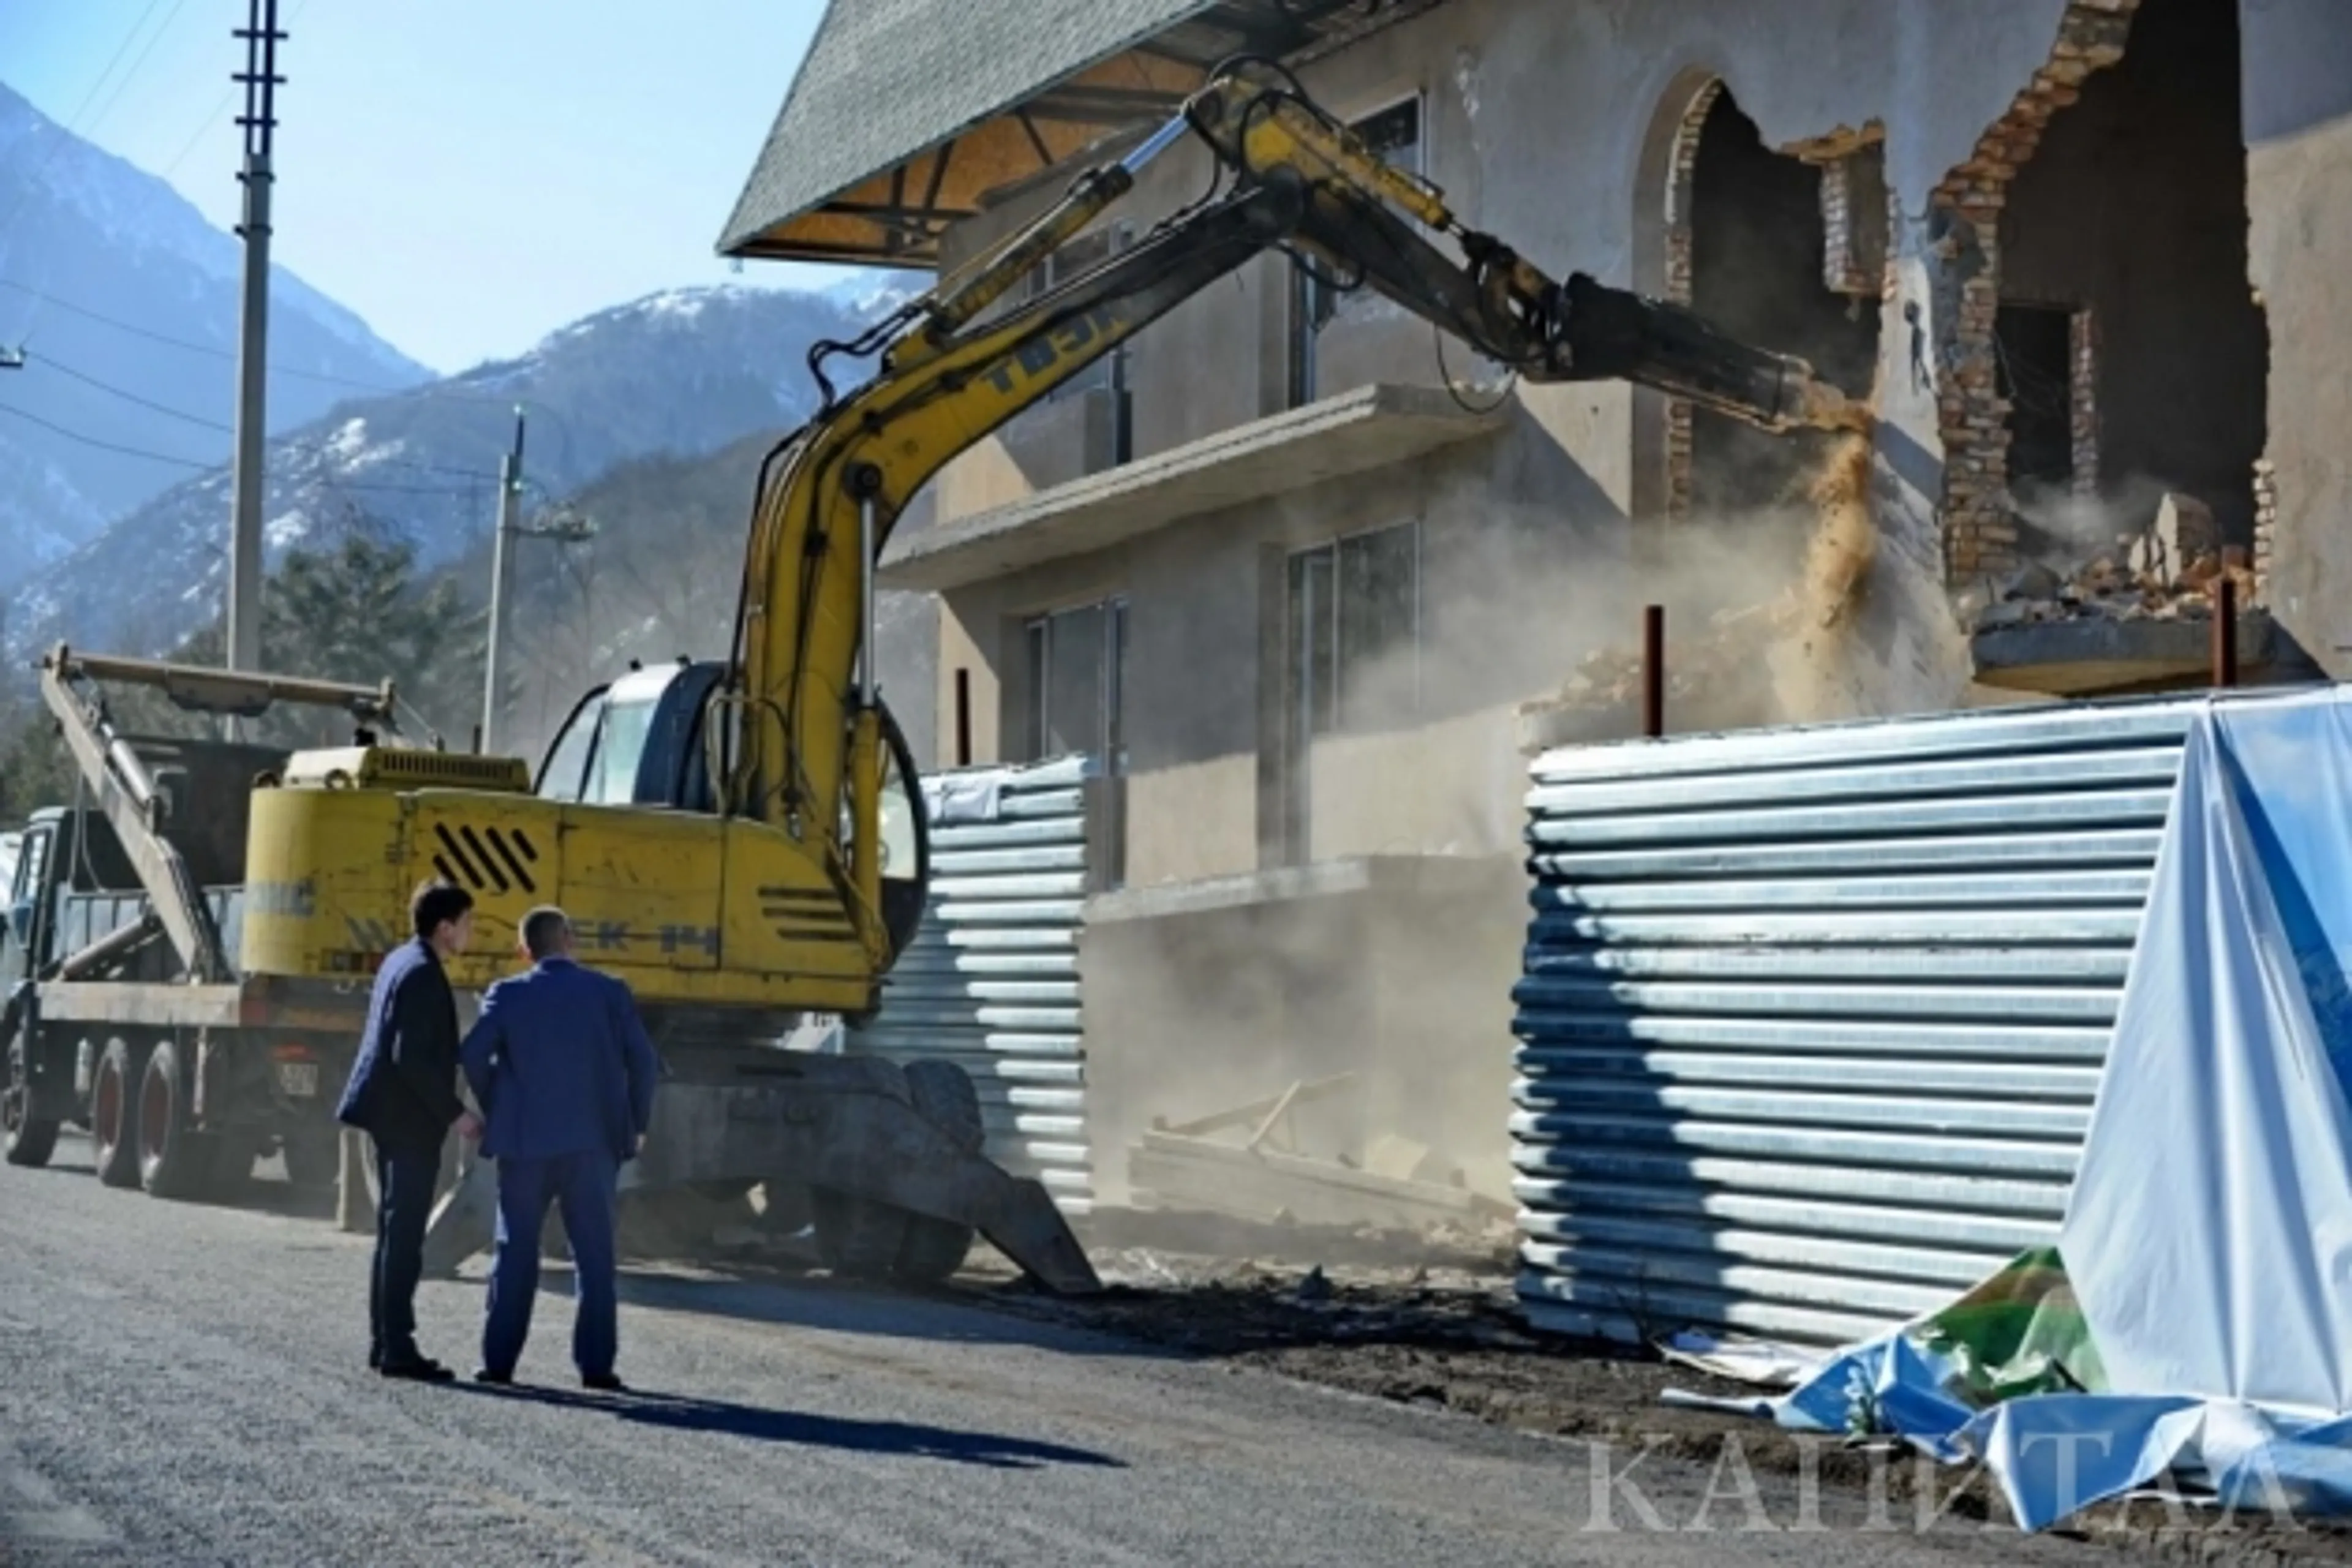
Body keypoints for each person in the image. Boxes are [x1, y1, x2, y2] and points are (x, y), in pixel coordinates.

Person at [459, 905, 660, 1390]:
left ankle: (499, 1363)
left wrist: (496, 1107)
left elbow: (471, 1054)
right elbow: (645, 1061)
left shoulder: (507, 994)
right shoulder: (610, 993)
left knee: (516, 1249)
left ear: (524, 949)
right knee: (594, 1254)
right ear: (570, 939)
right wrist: (638, 1123)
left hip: (524, 1143)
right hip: (593, 1145)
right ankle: (596, 1367)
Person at [334, 878, 482, 1382]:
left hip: (388, 1113)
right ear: (445, 927)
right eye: (467, 923)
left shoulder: (403, 959)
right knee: (403, 1235)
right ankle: (396, 1345)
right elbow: (411, 1059)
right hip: (406, 1119)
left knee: (395, 1232)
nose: (471, 932)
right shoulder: (421, 973)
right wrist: (456, 1114)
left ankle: (387, 1340)